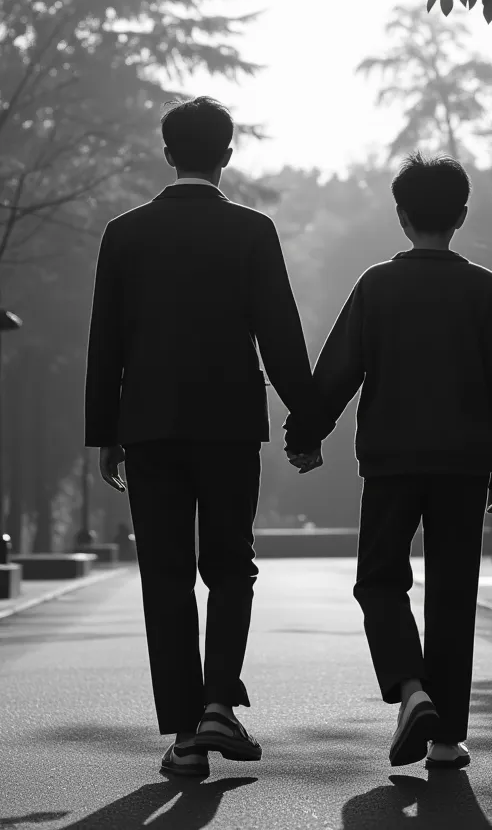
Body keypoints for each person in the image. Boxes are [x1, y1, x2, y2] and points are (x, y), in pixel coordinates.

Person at [85, 96, 327, 778]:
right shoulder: (253, 232)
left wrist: (107, 431)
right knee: (230, 564)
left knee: (164, 574)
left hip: (150, 426)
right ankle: (221, 700)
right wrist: (306, 422)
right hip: (228, 424)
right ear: (227, 155)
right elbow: (280, 335)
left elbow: (107, 341)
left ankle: (187, 731)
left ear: (168, 153)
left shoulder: (124, 234)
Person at [287, 151, 492, 771]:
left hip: (393, 460)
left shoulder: (377, 285)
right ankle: (446, 737)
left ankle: (410, 687)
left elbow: (340, 368)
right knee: (454, 591)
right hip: (466, 462)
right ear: (462, 215)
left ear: (401, 215)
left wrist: (306, 433)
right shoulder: (485, 289)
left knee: (380, 581)